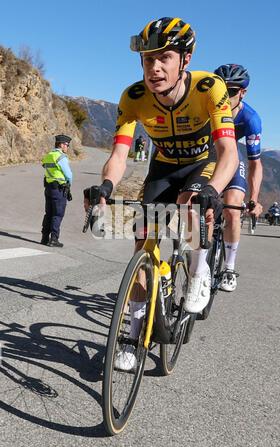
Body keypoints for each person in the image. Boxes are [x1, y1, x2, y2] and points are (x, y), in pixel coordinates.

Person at [84, 17, 239, 370]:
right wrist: (106, 187)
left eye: (164, 57)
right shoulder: (133, 97)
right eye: (147, 59)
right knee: (142, 246)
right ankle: (133, 336)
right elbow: (119, 154)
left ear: (185, 59)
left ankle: (199, 275)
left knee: (192, 206)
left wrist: (214, 191)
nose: (154, 68)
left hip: (204, 164)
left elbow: (229, 153)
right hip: (164, 166)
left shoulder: (209, 88)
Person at [213, 64, 263, 292]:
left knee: (232, 211)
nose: (224, 96)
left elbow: (255, 163)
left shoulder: (250, 119)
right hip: (206, 156)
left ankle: (229, 267)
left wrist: (254, 198)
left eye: (231, 91)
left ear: (243, 92)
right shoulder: (205, 105)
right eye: (220, 89)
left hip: (232, 157)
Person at [41, 134, 73, 247]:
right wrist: (69, 185)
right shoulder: (61, 157)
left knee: (48, 213)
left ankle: (44, 238)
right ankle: (54, 239)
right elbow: (69, 175)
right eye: (67, 145)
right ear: (61, 144)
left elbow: (44, 166)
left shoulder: (49, 155)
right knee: (57, 214)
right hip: (59, 189)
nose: (67, 147)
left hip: (48, 188)